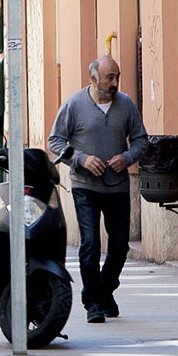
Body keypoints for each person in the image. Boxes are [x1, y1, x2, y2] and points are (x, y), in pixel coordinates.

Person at [48, 55, 148, 324]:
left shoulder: (126, 105)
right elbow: (55, 142)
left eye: (117, 76)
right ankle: (93, 302)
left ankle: (105, 290)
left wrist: (126, 158)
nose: (115, 82)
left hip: (116, 186)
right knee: (90, 243)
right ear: (93, 79)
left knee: (119, 246)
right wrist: (80, 159)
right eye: (109, 78)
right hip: (85, 186)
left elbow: (141, 141)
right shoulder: (74, 105)